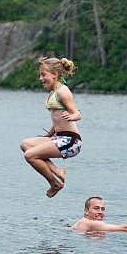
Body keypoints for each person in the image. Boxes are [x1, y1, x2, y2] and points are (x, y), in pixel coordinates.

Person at [20, 56, 82, 198]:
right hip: (59, 137)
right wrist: (47, 136)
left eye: (43, 74)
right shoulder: (53, 93)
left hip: (71, 141)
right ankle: (57, 171)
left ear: (54, 75)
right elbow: (56, 119)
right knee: (25, 145)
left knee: (29, 155)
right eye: (40, 75)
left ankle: (55, 183)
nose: (41, 78)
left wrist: (71, 117)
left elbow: (77, 113)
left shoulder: (62, 91)